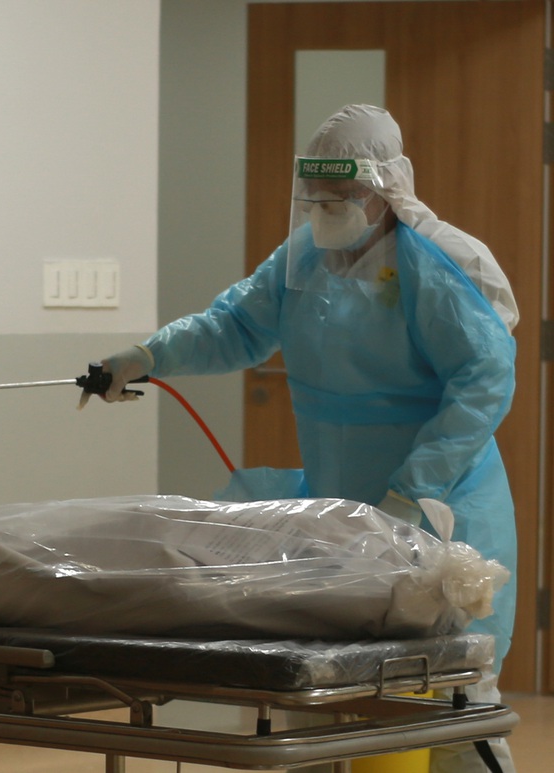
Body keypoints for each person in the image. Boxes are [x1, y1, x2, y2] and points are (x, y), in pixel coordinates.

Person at [93, 105, 517, 773]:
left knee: (447, 696)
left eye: (340, 197)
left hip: (437, 511)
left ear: (383, 188)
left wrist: (415, 489)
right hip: (339, 510)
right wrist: (148, 356)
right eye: (315, 198)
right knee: (322, 689)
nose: (325, 211)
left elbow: (484, 379)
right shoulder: (304, 258)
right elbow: (234, 326)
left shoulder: (438, 263)